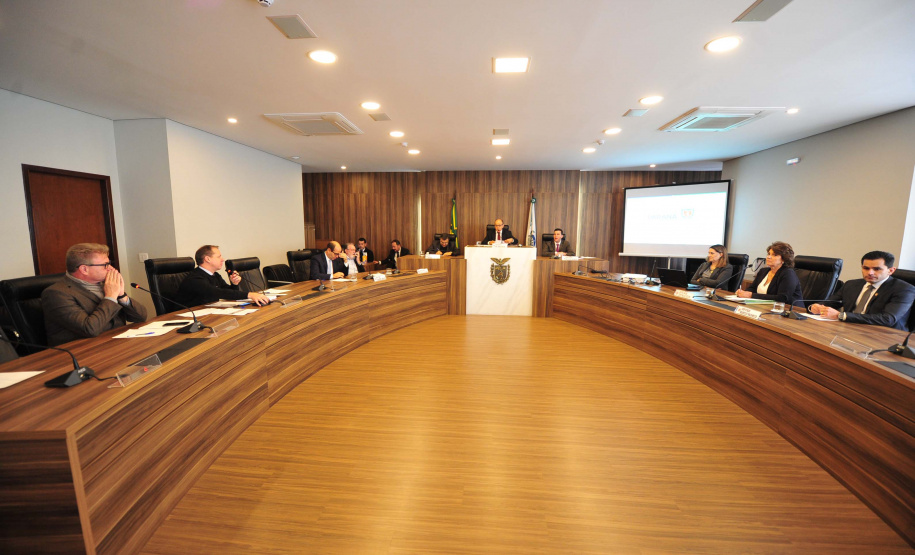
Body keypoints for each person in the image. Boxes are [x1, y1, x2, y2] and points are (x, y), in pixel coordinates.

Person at [42, 243, 148, 346]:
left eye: (109, 263)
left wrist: (121, 296)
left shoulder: (105, 284)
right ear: (84, 269)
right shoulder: (56, 294)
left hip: (115, 343)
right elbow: (89, 329)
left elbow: (141, 317)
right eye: (105, 265)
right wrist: (110, 297)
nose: (111, 268)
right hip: (83, 350)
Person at [809, 250, 915, 330]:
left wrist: (841, 315)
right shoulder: (851, 284)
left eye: (877, 269)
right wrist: (815, 307)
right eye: (866, 268)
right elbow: (830, 303)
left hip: (885, 336)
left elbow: (887, 319)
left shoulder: (904, 289)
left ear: (891, 270)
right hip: (849, 330)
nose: (870, 273)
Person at [176, 245, 269, 307]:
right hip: (188, 318)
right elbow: (218, 292)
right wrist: (250, 295)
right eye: (219, 257)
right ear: (207, 259)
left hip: (207, 312)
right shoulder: (195, 278)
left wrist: (234, 284)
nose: (222, 259)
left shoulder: (215, 275)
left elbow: (228, 292)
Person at [736, 241, 803, 305]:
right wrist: (744, 292)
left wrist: (751, 295)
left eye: (774, 255)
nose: (768, 257)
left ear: (783, 259)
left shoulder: (788, 273)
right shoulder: (763, 271)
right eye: (769, 254)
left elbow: (782, 298)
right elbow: (753, 288)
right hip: (765, 307)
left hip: (790, 310)